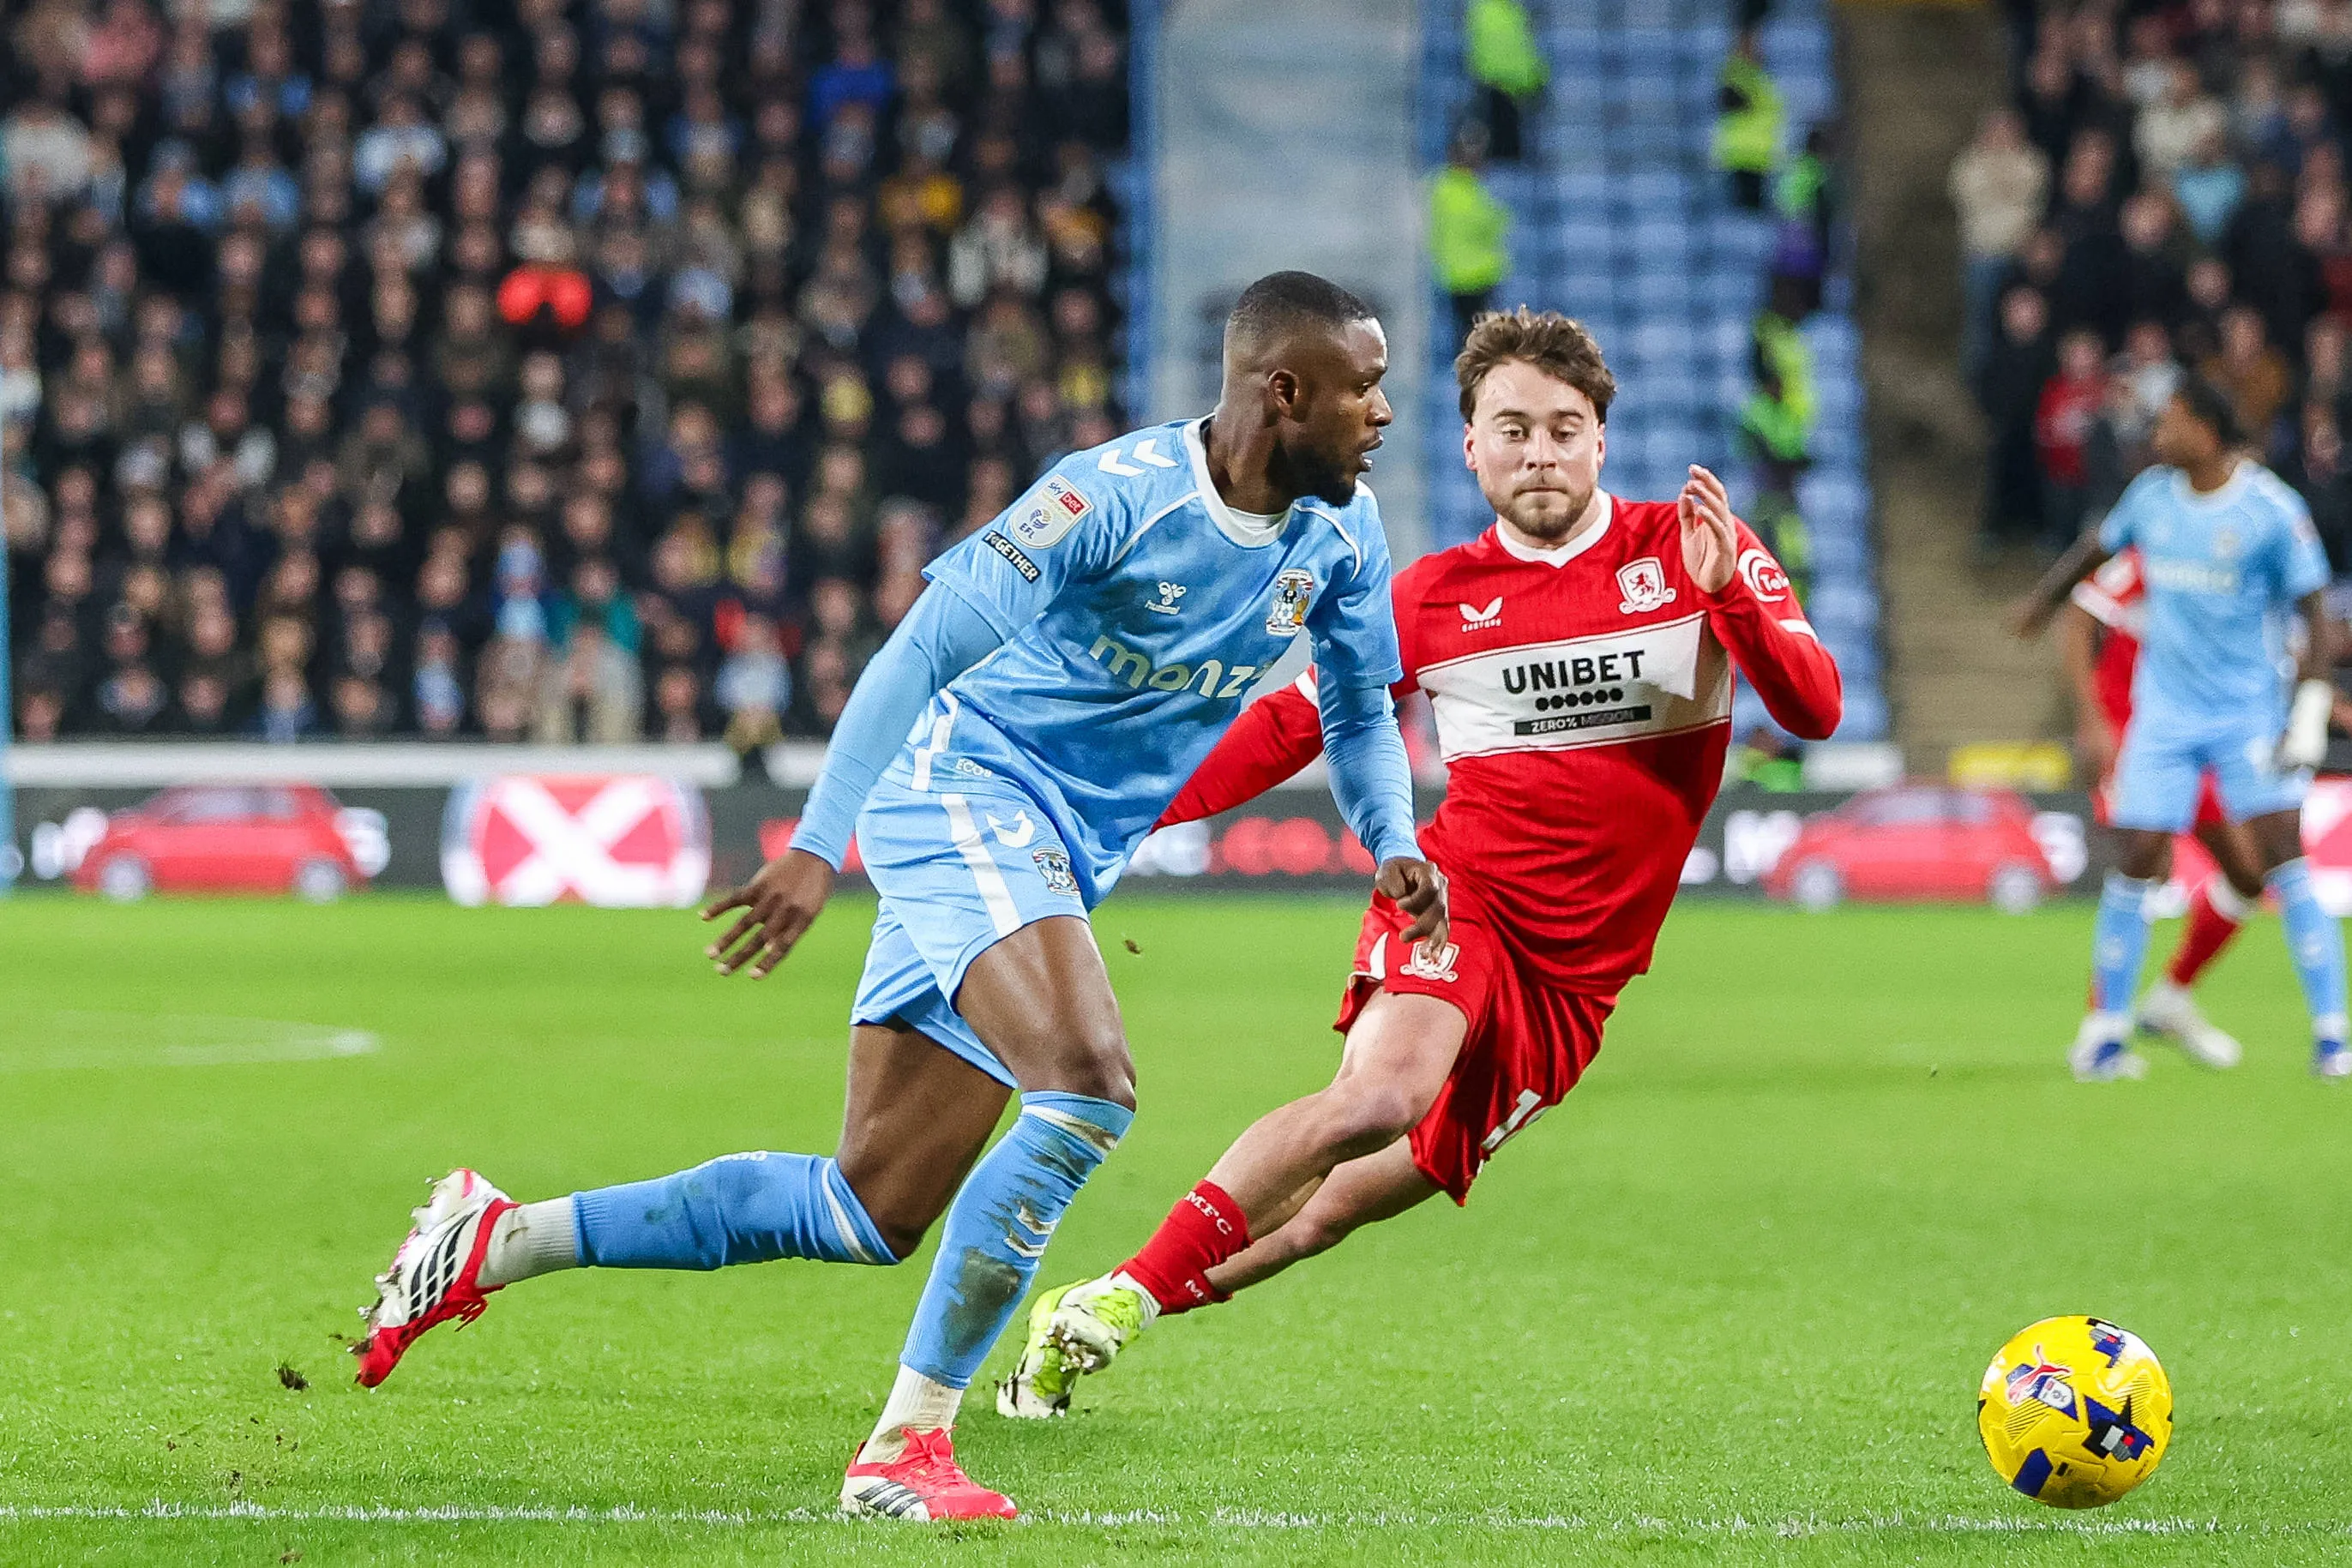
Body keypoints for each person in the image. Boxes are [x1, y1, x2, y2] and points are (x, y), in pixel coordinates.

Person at [344, 272, 1447, 1521]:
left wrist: (1388, 836)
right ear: (1282, 390)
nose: (1383, 413)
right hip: (964, 791)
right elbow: (923, 645)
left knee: (866, 1205)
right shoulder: (1110, 498)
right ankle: (902, 1452)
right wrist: (819, 840)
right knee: (1087, 1083)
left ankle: (496, 1239)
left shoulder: (1341, 538)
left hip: (1060, 850)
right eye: (1364, 387)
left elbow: (1360, 713)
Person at [995, 308, 1842, 1415]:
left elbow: (1812, 709)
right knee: (1377, 1098)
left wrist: (1727, 585)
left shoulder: (1684, 553)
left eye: (1561, 428)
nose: (1536, 451)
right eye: (1511, 428)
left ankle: (1100, 1306)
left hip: (1576, 981)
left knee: (1332, 1209)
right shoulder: (1429, 598)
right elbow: (1288, 726)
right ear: (1469, 447)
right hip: (1458, 903)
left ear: (1597, 441)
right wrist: (1132, 810)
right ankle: (1121, 1303)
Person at [2014, 378, 2346, 1080]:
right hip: (2163, 713)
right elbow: (2092, 552)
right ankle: (2103, 1036)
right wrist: (2040, 603)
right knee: (2137, 855)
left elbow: (2316, 614)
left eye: (2169, 421)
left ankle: (2331, 1034)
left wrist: (2312, 706)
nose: (2156, 432)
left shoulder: (2267, 509)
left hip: (2247, 712)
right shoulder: (2151, 497)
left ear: (2204, 428)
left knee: (2279, 857)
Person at [2059, 546, 2265, 1066]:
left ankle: (2171, 999)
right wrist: (2091, 721)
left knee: (2248, 873)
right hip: (2132, 733)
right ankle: (2101, 1031)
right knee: (2145, 863)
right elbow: (2082, 616)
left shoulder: (2233, 565)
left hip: (2195, 735)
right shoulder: (2151, 551)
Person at [1429, 126, 1512, 343]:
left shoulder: (1448, 186)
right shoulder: (1453, 189)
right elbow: (1486, 224)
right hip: (1469, 276)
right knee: (1474, 338)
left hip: (1472, 275)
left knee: (1474, 337)